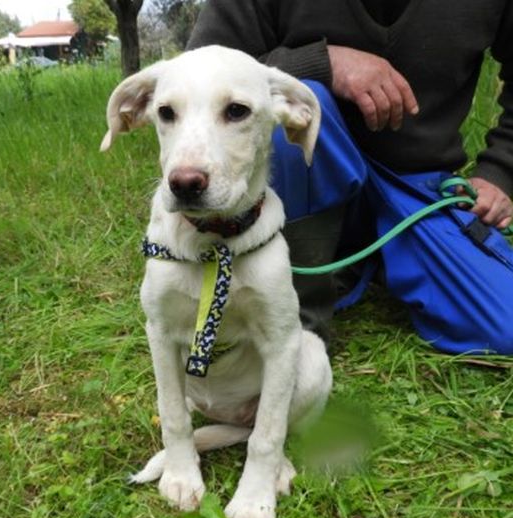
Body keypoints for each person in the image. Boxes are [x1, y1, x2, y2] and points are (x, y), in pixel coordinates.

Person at [186, 0, 513, 354]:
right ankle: (298, 329)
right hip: (305, 177)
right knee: (297, 104)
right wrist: (323, 64)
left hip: (417, 189)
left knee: (504, 326)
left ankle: (375, 260)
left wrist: (500, 170)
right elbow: (198, 72)